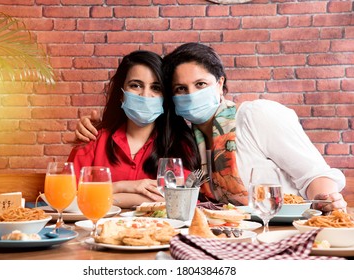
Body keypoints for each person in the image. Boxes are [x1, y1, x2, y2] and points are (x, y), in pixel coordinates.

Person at [75, 43, 347, 212]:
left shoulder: (256, 116)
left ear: (220, 84)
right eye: (181, 89)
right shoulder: (190, 143)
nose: (191, 94)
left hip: (284, 226)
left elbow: (313, 175)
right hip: (230, 237)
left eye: (200, 85)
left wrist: (327, 199)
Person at [68, 50, 200, 209]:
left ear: (164, 98)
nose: (145, 95)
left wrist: (102, 195)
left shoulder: (180, 145)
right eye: (135, 85)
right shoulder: (92, 138)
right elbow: (67, 199)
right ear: (121, 94)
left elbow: (179, 200)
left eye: (156, 88)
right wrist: (124, 186)